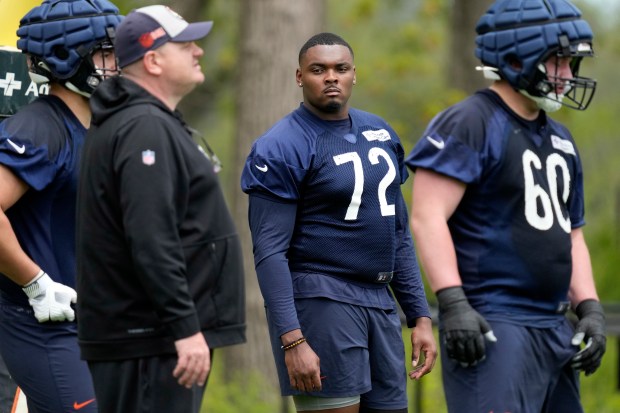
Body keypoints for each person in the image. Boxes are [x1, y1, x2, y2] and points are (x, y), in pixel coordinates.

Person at [405, 0, 606, 412]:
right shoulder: (470, 122)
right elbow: (427, 217)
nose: (568, 76)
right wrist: (454, 302)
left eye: (571, 63)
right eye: (558, 62)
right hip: (495, 321)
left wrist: (590, 308)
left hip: (554, 324)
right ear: (517, 58)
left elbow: (572, 234)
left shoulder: (562, 140)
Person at [241, 32, 437, 413]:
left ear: (354, 75)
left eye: (340, 68)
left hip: (380, 303)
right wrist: (293, 340)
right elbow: (269, 252)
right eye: (319, 69)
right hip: (323, 300)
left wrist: (420, 315)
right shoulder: (281, 145)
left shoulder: (379, 133)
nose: (331, 77)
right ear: (299, 77)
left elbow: (397, 233)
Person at [75, 5, 246, 413]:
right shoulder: (142, 127)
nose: (198, 51)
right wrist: (185, 329)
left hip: (151, 337)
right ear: (152, 61)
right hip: (150, 339)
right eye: (185, 45)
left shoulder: (144, 121)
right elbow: (151, 237)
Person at [0, 0, 121, 411]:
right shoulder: (38, 128)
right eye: (106, 53)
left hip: (85, 325)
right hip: (41, 326)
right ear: (66, 58)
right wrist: (35, 283)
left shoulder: (94, 126)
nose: (118, 65)